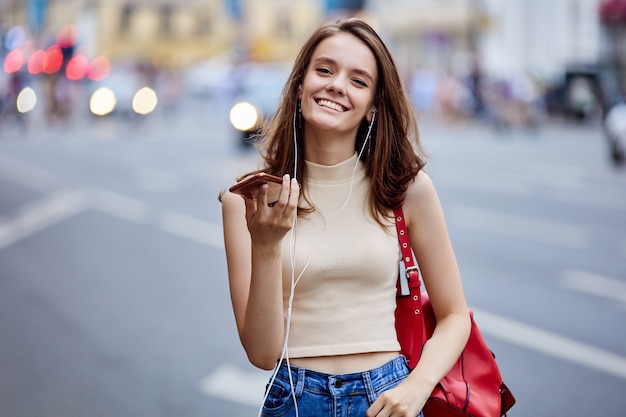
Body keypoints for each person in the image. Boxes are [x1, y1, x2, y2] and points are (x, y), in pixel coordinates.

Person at [221, 18, 470, 417]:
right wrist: (266, 247)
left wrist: (416, 387)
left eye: (358, 80)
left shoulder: (406, 190)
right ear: (300, 84)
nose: (337, 84)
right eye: (324, 69)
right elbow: (262, 353)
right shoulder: (249, 201)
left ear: (372, 106)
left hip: (388, 395)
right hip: (296, 399)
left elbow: (455, 315)